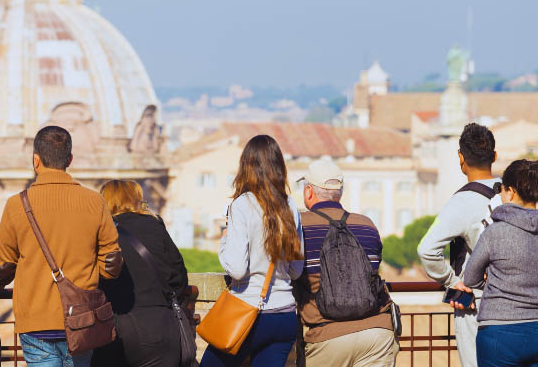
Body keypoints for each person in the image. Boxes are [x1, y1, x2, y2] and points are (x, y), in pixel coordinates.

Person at [0, 126, 123, 367]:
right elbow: (111, 264)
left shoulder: (16, 205)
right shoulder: (95, 202)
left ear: (36, 160)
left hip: (35, 321)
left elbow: (4, 266)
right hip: (82, 320)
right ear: (70, 159)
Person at [201, 134, 304, 367]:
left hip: (249, 314)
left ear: (246, 166)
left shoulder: (242, 205)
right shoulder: (290, 206)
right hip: (285, 315)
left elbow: (237, 269)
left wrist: (225, 238)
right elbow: (296, 270)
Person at [293, 159, 398, 367]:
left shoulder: (299, 226)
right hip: (377, 333)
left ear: (308, 192)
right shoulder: (366, 225)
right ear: (339, 193)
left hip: (326, 337)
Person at [417, 123, 501, 367]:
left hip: (477, 303)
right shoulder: (513, 191)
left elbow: (427, 250)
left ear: (461, 158)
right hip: (521, 305)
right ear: (494, 156)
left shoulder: (462, 201)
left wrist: (452, 282)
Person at [92, 180, 189, 367]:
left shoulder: (100, 230)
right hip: (159, 325)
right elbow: (178, 274)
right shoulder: (154, 225)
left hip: (113, 325)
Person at [461, 159, 538, 367]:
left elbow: (470, 277)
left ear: (510, 192)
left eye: (501, 190)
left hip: (499, 332)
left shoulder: (495, 231)